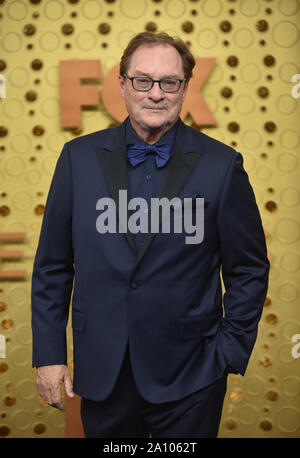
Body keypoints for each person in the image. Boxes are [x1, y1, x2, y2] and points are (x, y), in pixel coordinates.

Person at [31, 32, 269, 438]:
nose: (155, 93)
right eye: (142, 80)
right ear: (122, 85)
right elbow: (52, 267)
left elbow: (248, 268)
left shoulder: (222, 166)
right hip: (103, 371)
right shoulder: (78, 159)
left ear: (185, 88)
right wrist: (50, 355)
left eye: (169, 82)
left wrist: (227, 351)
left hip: (192, 374)